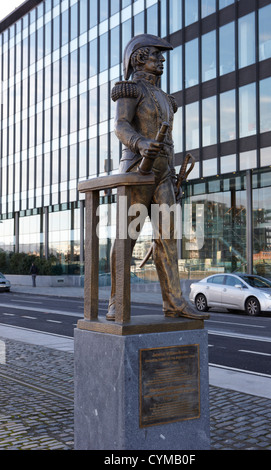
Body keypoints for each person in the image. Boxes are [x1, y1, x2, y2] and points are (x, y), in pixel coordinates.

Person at [107, 34, 200, 321]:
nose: (161, 61)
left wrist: (171, 173)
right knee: (127, 237)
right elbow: (121, 125)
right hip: (138, 169)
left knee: (168, 237)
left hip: (164, 173)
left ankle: (174, 302)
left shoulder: (165, 97)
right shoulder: (130, 90)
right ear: (138, 58)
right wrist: (140, 142)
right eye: (155, 56)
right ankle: (116, 301)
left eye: (162, 57)